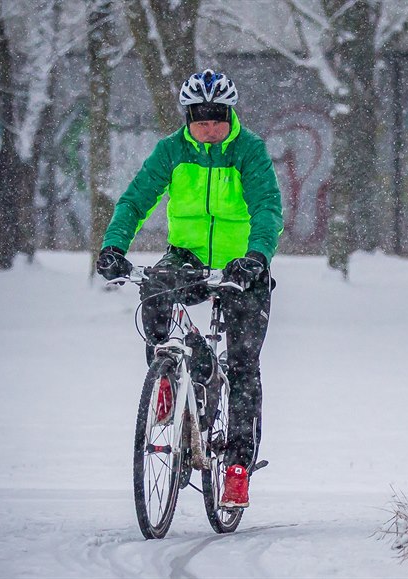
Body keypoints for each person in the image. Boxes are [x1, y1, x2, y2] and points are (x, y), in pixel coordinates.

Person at [95, 69, 283, 509]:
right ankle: (171, 381)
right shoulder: (172, 151)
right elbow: (136, 199)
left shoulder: (249, 151)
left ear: (230, 114)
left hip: (243, 264)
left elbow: (267, 207)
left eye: (218, 116)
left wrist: (256, 256)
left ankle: (236, 469)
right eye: (201, 117)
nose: (210, 125)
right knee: (154, 293)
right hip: (189, 257)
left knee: (242, 366)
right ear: (188, 116)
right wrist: (112, 247)